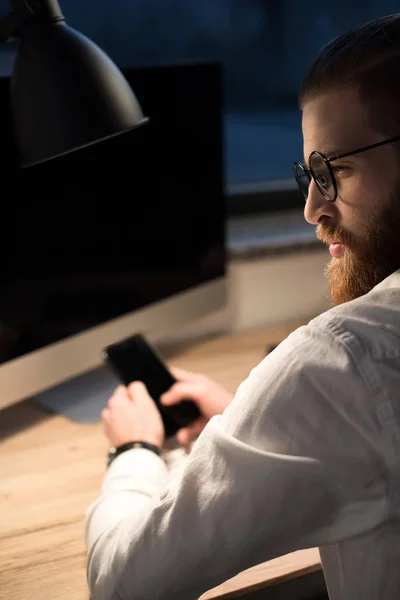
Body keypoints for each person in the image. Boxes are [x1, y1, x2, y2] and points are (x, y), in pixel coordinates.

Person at [85, 13, 400, 600]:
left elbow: (124, 582)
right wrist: (263, 428)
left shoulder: (345, 360)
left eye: (333, 171)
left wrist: (133, 451)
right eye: (308, 174)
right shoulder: (348, 384)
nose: (312, 209)